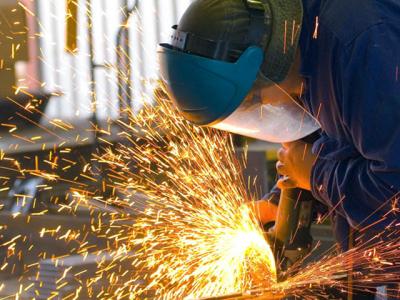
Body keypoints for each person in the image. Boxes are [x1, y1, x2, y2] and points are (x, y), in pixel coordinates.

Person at [158, 0, 400, 298]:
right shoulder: (308, 43)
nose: (269, 106)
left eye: (257, 100)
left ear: (269, 61)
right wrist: (281, 199)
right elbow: (345, 138)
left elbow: (395, 189)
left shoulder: (359, 43)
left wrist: (315, 174)